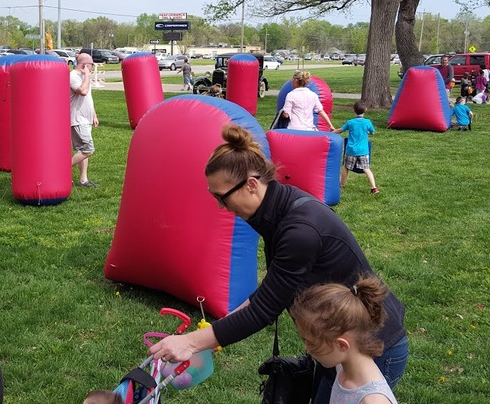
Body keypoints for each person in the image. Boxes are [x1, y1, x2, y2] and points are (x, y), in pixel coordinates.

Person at [147, 125, 408, 404]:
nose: (222, 207)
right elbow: (271, 292)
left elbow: (264, 310)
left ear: (250, 184)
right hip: (338, 340)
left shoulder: (299, 230)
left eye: (222, 197)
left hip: (372, 345)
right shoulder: (280, 210)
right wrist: (211, 337)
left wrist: (190, 343)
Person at [292, 276, 399, 404]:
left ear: (342, 345)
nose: (307, 349)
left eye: (312, 343)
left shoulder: (373, 400)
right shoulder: (343, 367)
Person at [333, 101, 379, 194]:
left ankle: (341, 185)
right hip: (363, 151)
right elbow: (372, 132)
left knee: (346, 167)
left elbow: (340, 130)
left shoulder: (350, 122)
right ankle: (374, 187)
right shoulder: (367, 122)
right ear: (365, 110)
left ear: (354, 110)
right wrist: (369, 132)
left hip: (351, 150)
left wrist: (332, 131)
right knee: (367, 169)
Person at [70, 52, 99, 187]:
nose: (92, 67)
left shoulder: (83, 77)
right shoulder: (73, 76)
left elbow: (89, 99)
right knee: (88, 150)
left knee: (82, 151)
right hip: (77, 119)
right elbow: (82, 91)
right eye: (91, 65)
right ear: (85, 65)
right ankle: (61, 171)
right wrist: (87, 75)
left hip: (85, 119)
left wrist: (93, 115)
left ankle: (83, 180)